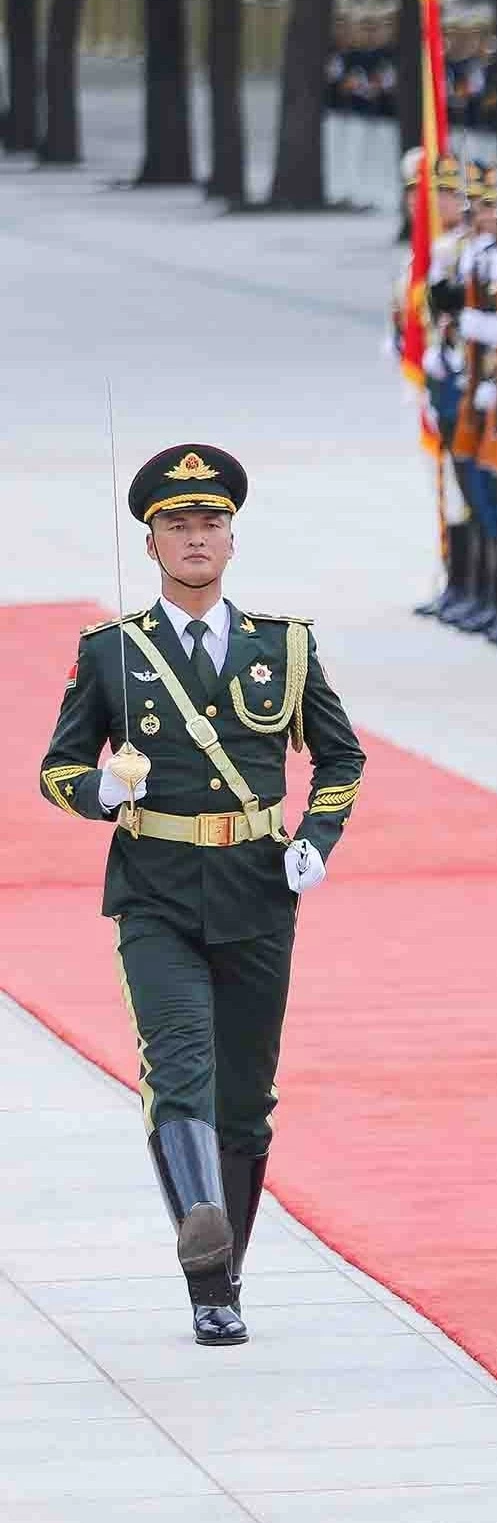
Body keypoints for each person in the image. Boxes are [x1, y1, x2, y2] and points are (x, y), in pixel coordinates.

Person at [38, 444, 366, 1348]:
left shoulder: (283, 646)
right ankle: (204, 1263)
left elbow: (340, 757)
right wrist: (105, 789)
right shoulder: (112, 652)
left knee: (247, 1098)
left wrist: (316, 839)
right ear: (150, 544)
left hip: (259, 891)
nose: (195, 539)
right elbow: (57, 770)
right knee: (177, 1066)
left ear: (230, 540)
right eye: (177, 526)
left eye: (210, 524)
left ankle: (224, 1273)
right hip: (157, 893)